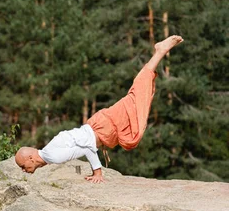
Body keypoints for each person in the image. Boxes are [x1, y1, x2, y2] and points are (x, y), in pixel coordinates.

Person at [15, 35, 184, 183]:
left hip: (104, 125)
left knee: (136, 100)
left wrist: (97, 172)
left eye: (23, 166)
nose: (24, 170)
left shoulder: (52, 155)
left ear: (30, 158)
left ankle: (160, 51)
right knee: (134, 117)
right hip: (102, 126)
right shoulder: (49, 153)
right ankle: (159, 53)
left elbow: (88, 146)